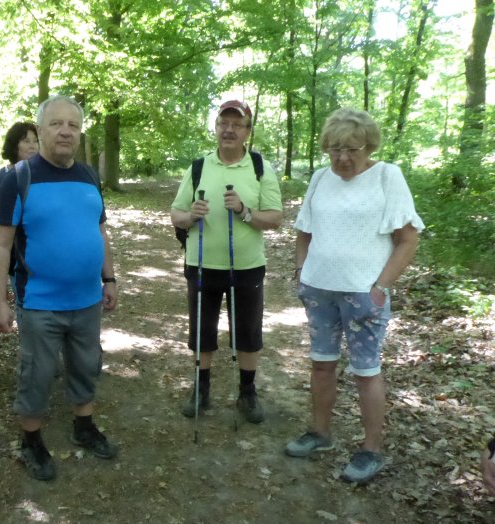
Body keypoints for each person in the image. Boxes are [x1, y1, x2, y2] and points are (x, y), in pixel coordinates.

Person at [285, 108, 424, 484]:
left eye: (352, 149)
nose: (342, 158)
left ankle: (371, 450)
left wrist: (381, 287)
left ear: (369, 146)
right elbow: (304, 231)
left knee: (365, 370)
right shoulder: (319, 178)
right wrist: (301, 273)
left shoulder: (387, 176)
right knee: (321, 363)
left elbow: (408, 239)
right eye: (334, 150)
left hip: (365, 295)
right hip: (319, 290)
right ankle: (320, 433)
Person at [0, 95, 118, 481]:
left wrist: (109, 278)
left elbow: (99, 230)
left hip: (88, 298)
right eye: (56, 124)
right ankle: (31, 440)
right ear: (41, 129)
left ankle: (84, 425)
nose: (65, 131)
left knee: (86, 364)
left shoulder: (90, 176)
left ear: (80, 133)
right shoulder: (17, 178)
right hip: (40, 301)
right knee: (38, 373)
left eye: (73, 125)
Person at [170, 99, 283, 423]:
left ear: (247, 131)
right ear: (216, 127)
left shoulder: (260, 168)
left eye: (237, 124)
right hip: (202, 262)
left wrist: (245, 211)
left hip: (247, 265)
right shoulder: (198, 167)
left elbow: (274, 217)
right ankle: (200, 389)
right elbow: (176, 213)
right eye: (223, 123)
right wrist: (190, 215)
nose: (229, 130)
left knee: (248, 331)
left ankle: (247, 393)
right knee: (201, 329)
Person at [0, 121, 39, 293]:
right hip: (14, 252)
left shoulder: (46, 174)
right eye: (26, 141)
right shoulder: (2, 176)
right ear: (14, 145)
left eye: (35, 140)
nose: (32, 146)